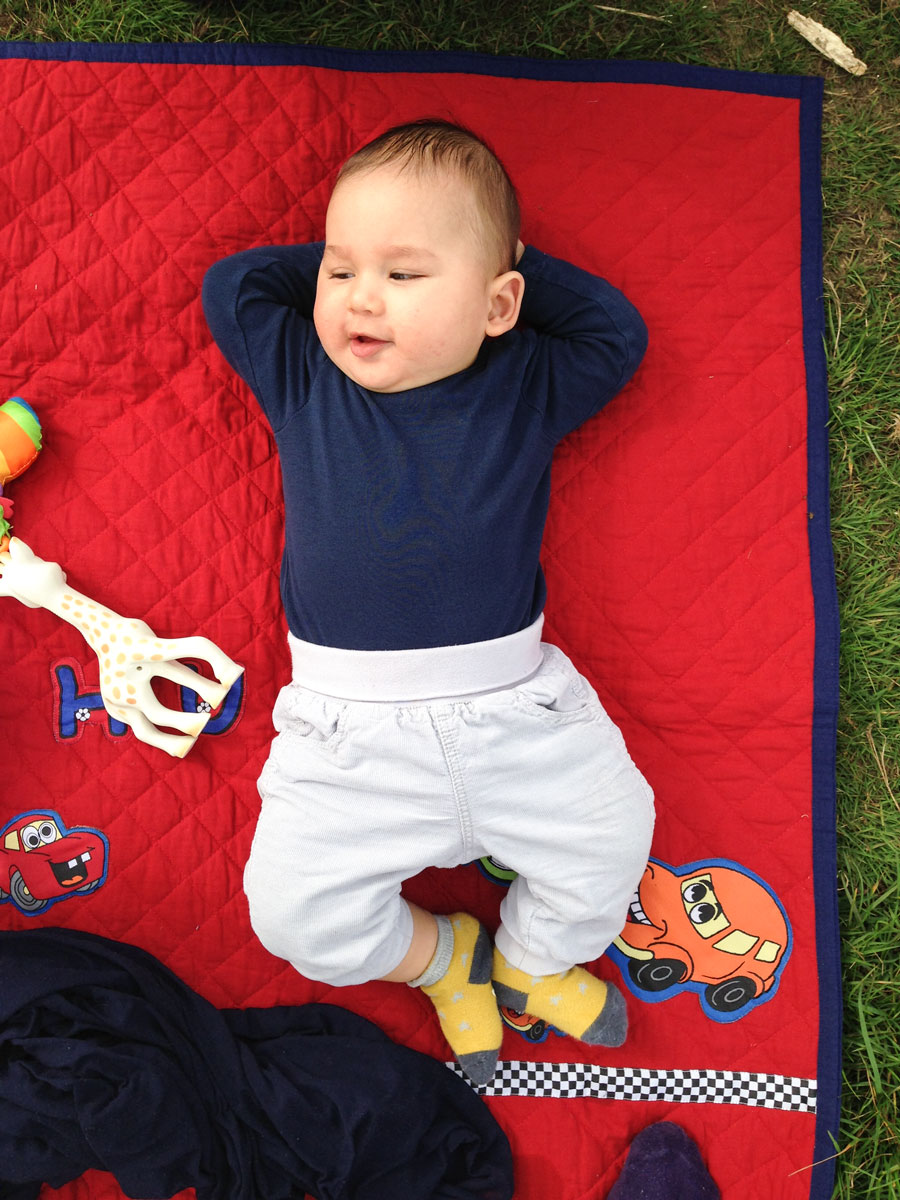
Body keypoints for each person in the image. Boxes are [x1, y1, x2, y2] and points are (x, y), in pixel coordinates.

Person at [203, 119, 655, 1086]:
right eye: (338, 270)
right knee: (292, 917)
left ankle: (533, 959)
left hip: (520, 713)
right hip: (349, 734)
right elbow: (234, 287)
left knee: (615, 835)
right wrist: (367, 256)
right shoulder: (307, 374)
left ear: (502, 304)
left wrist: (494, 266)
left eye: (405, 276)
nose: (362, 297)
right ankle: (448, 956)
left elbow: (616, 332)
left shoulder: (528, 377)